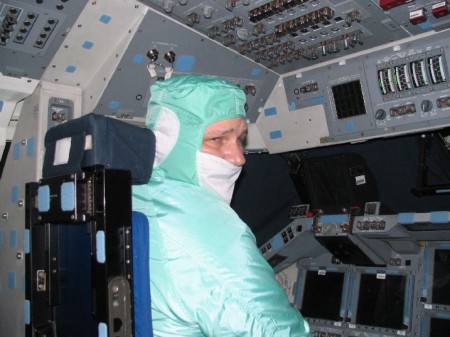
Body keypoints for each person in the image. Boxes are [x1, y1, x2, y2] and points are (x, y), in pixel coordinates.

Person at [132, 74, 311, 336]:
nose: (238, 158)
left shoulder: (132, 193)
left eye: (240, 139)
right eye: (217, 140)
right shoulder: (216, 236)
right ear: (174, 141)